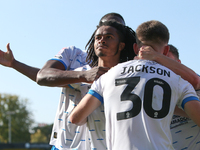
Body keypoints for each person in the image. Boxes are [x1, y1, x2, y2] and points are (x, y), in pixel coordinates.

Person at [0, 13, 132, 150]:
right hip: (66, 143)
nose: (103, 39)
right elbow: (43, 76)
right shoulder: (74, 55)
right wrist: (83, 75)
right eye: (100, 35)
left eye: (112, 33)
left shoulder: (128, 69)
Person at [70, 20, 200, 150]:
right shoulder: (177, 81)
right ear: (166, 50)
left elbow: (75, 118)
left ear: (135, 48)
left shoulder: (108, 76)